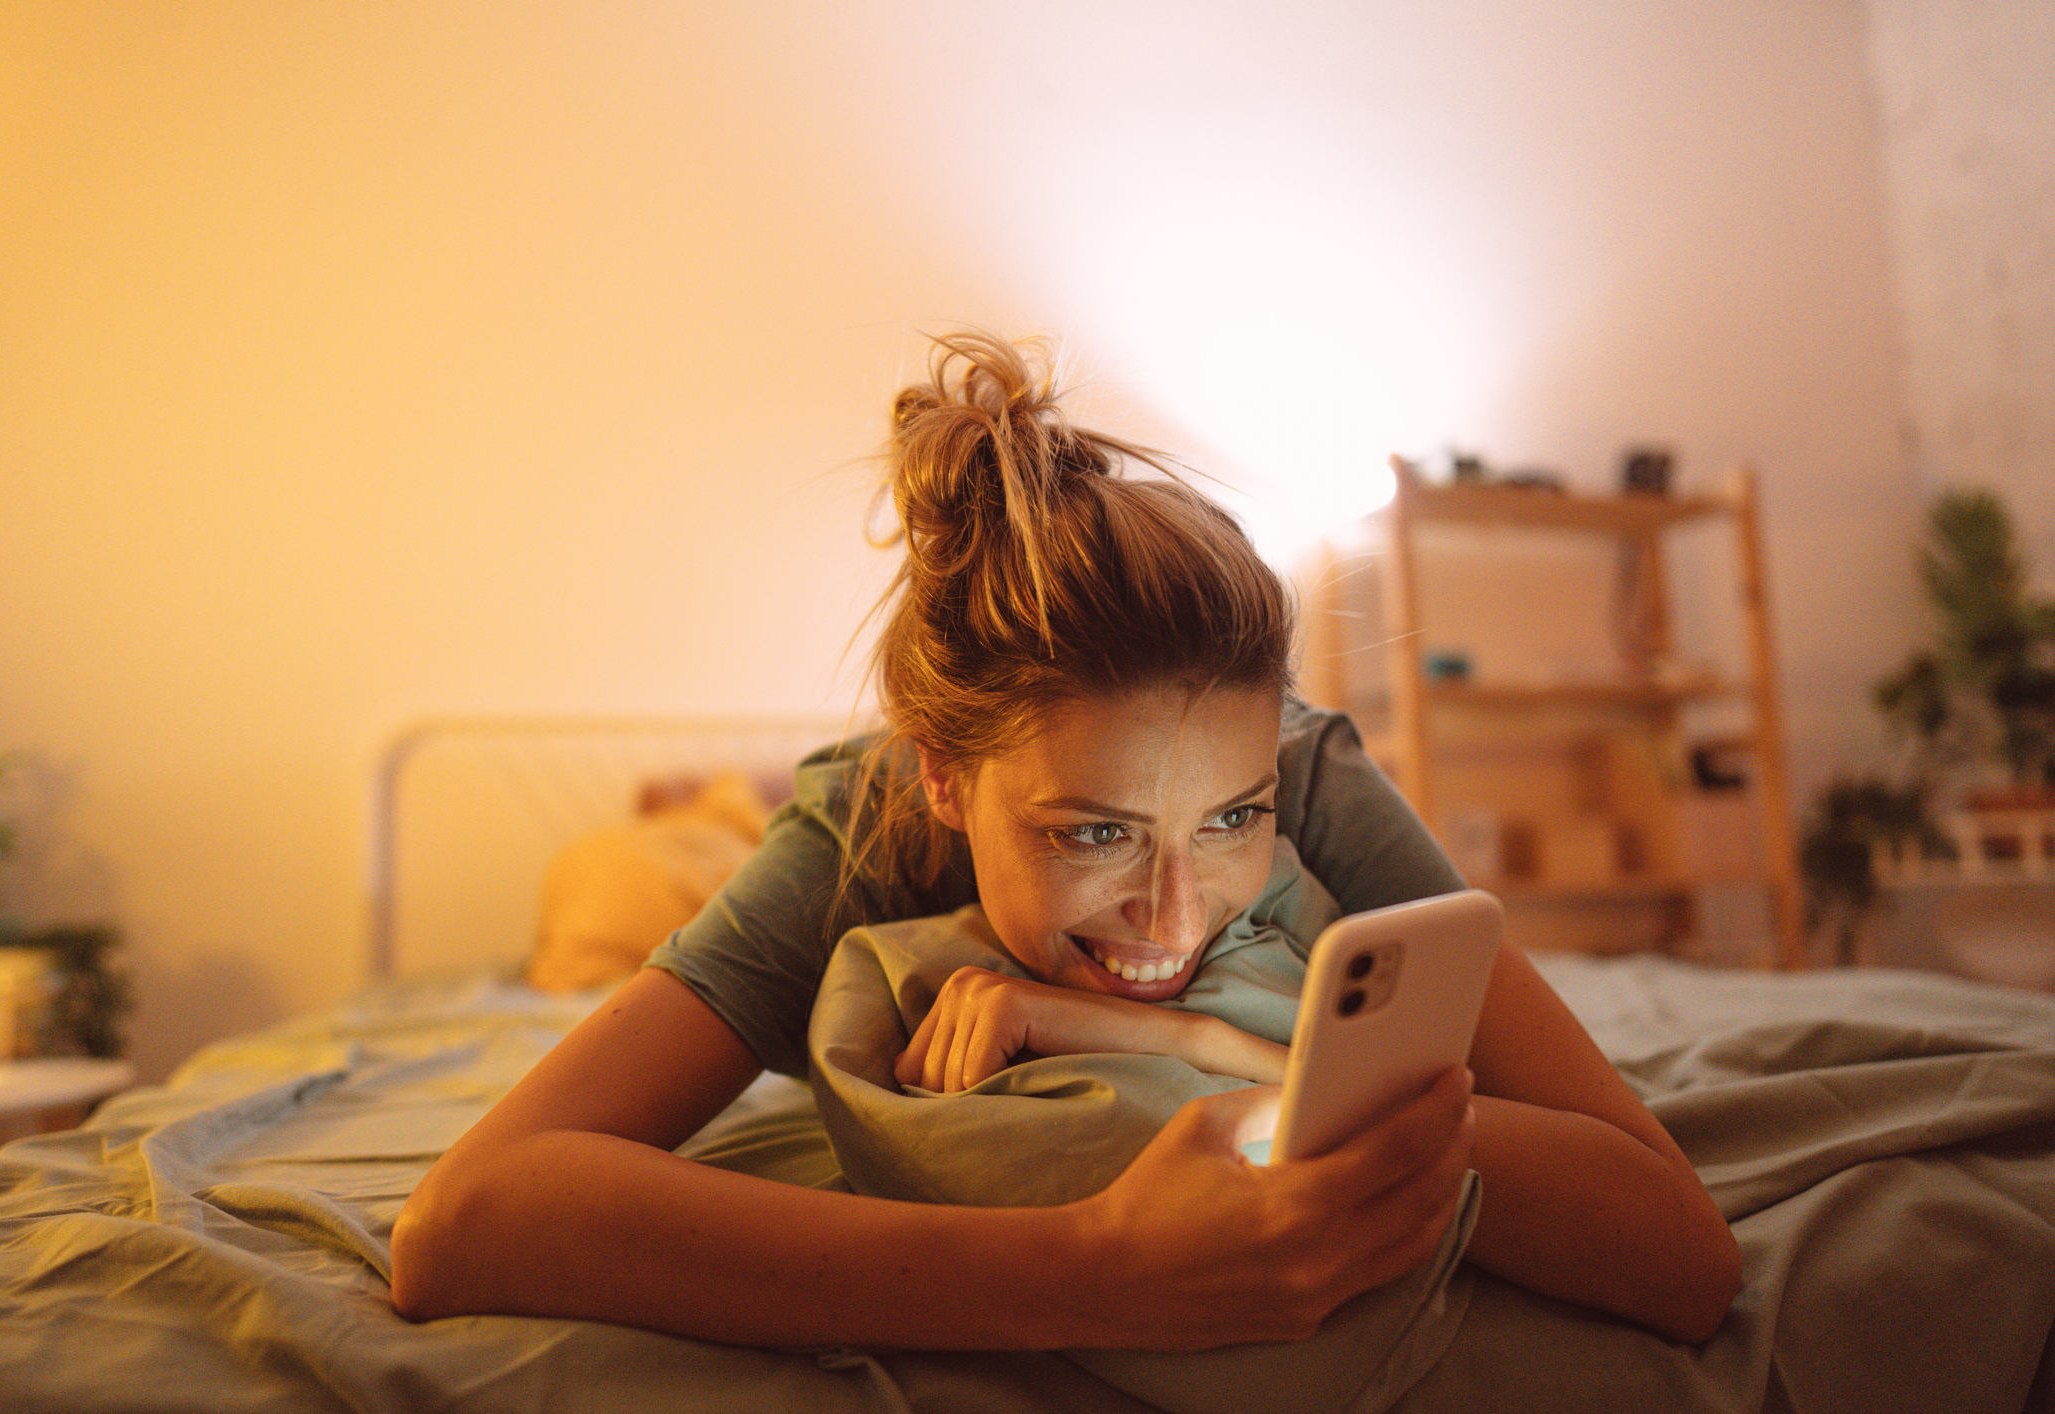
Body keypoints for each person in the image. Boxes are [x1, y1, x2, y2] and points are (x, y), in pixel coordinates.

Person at [390, 333, 1740, 1350]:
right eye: (1091, 830)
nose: (1169, 917)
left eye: (1229, 821)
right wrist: (1098, 1271)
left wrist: (1243, 1071)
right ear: (940, 775)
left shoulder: (1306, 762)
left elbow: (1677, 1248)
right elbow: (463, 1221)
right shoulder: (852, 831)